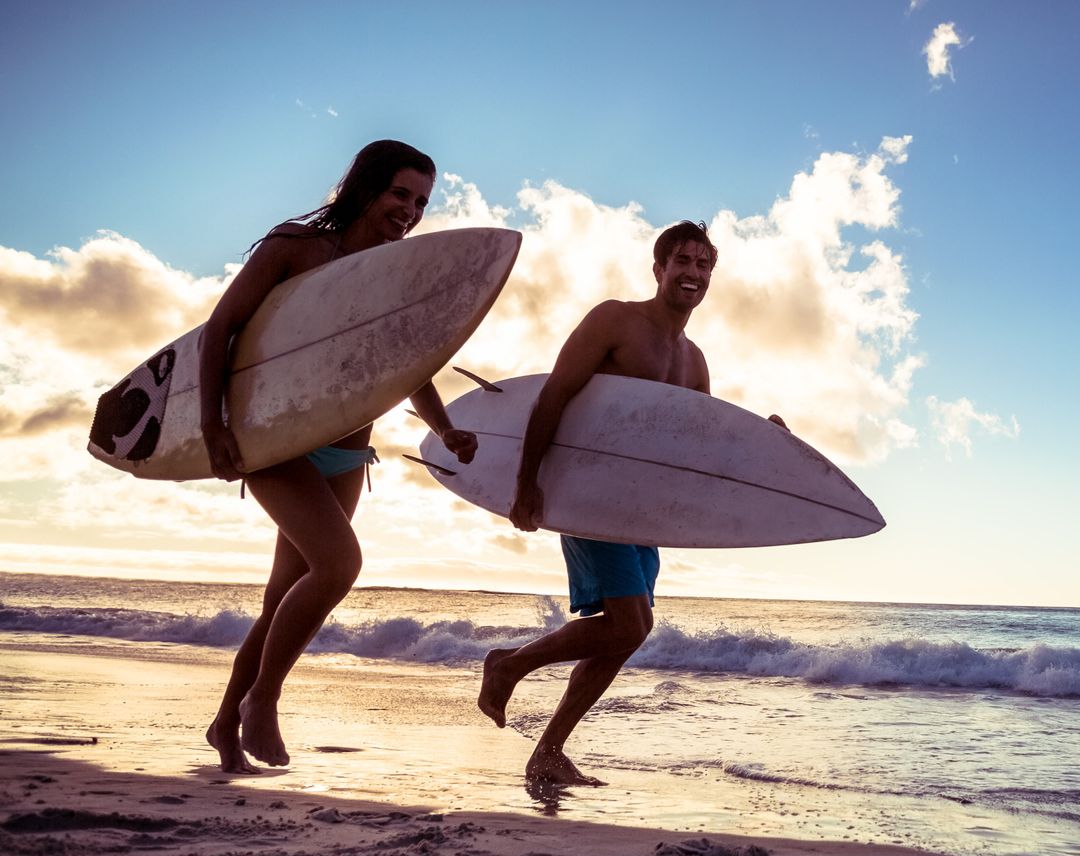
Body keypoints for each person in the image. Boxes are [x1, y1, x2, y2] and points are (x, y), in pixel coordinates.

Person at [477, 220, 786, 785]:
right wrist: (527, 483)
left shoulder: (694, 362)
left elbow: (699, 448)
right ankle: (508, 664)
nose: (693, 273)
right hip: (591, 494)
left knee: (628, 632)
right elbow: (553, 398)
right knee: (628, 623)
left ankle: (548, 750)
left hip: (641, 511)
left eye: (703, 265)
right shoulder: (615, 319)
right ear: (659, 267)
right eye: (683, 261)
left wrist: (762, 443)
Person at [202, 140, 477, 773]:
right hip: (275, 443)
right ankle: (261, 702)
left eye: (421, 202)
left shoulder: (395, 273)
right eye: (399, 194)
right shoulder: (295, 248)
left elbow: (405, 367)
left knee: (281, 603)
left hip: (348, 456)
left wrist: (447, 427)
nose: (409, 211)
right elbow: (222, 329)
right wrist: (216, 422)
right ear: (365, 187)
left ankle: (224, 722)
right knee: (338, 565)